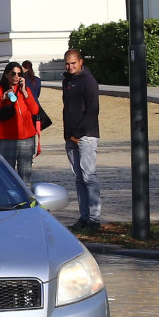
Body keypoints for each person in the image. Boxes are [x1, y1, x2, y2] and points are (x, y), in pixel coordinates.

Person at [62, 48, 103, 230]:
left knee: (89, 177)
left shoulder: (88, 81)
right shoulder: (67, 81)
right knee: (78, 179)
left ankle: (94, 219)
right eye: (67, 63)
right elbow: (67, 109)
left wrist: (77, 134)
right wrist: (68, 135)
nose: (70, 67)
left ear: (81, 62)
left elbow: (93, 110)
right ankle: (84, 217)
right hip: (71, 137)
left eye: (73, 63)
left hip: (86, 135)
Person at [0, 62, 44, 183]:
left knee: (25, 178)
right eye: (13, 74)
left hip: (27, 138)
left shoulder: (25, 89)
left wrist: (25, 92)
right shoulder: (1, 89)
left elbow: (35, 110)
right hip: (8, 138)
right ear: (7, 74)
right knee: (8, 177)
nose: (16, 77)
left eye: (19, 74)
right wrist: (4, 97)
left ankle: (27, 201)